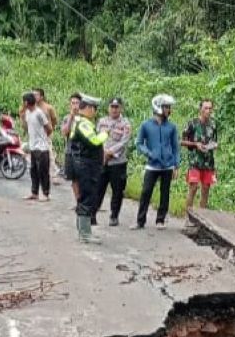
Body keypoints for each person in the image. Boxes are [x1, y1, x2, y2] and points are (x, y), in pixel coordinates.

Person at [67, 94, 109, 243]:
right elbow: (95, 141)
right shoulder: (83, 123)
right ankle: (85, 234)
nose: (95, 111)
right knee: (87, 198)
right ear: (89, 108)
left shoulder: (81, 122)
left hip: (83, 165)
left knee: (85, 197)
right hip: (85, 166)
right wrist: (105, 133)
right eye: (94, 108)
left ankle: (83, 231)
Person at [135, 94, 180, 230]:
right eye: (166, 107)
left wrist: (176, 164)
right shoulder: (146, 125)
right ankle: (140, 221)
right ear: (159, 107)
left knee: (165, 193)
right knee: (146, 192)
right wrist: (149, 153)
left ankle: (160, 220)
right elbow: (139, 143)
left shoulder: (171, 127)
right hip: (152, 165)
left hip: (167, 165)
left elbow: (175, 147)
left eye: (169, 107)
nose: (168, 110)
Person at [93, 97, 132, 226]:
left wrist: (110, 152)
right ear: (108, 108)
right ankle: (92, 214)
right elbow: (97, 137)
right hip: (102, 161)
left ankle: (114, 216)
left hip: (118, 162)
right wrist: (103, 152)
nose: (114, 109)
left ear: (121, 108)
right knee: (98, 188)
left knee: (117, 191)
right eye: (112, 107)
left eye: (117, 107)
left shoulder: (125, 123)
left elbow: (124, 141)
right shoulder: (102, 121)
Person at [182, 99, 219, 210]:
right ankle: (188, 217)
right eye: (206, 108)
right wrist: (195, 144)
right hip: (195, 161)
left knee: (206, 189)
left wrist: (214, 145)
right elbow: (181, 141)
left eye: (210, 108)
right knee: (193, 188)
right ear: (200, 109)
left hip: (208, 162)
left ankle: (202, 219)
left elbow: (215, 141)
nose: (208, 111)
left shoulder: (213, 125)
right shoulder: (192, 123)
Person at [21, 92, 53, 201]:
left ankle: (45, 193)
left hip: (42, 147)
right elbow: (26, 127)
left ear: (26, 102)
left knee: (43, 171)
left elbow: (49, 128)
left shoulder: (39, 113)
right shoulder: (28, 113)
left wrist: (44, 138)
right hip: (33, 146)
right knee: (33, 171)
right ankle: (34, 192)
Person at [34, 87, 61, 183]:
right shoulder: (33, 107)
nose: (34, 96)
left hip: (46, 134)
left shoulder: (48, 107)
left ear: (41, 96)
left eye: (36, 94)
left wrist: (50, 129)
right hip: (35, 134)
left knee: (49, 154)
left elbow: (54, 120)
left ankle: (54, 175)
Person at [60, 93, 82, 202]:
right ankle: (78, 201)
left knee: (83, 178)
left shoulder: (85, 118)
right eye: (73, 103)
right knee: (73, 179)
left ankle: (85, 201)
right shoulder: (66, 118)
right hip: (70, 151)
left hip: (82, 153)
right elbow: (64, 132)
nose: (75, 106)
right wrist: (71, 118)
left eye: (77, 103)